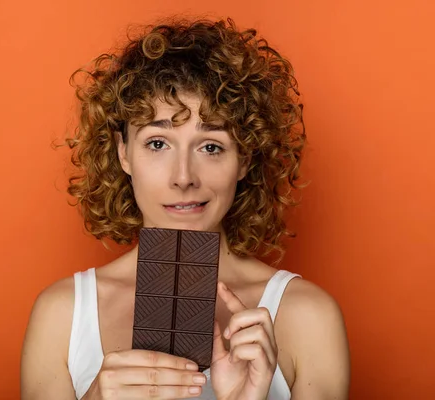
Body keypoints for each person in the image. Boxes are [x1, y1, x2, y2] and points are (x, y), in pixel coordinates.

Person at [20, 18, 350, 400]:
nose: (183, 177)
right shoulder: (62, 315)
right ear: (124, 152)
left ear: (244, 158)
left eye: (211, 146)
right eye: (158, 143)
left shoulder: (307, 316)